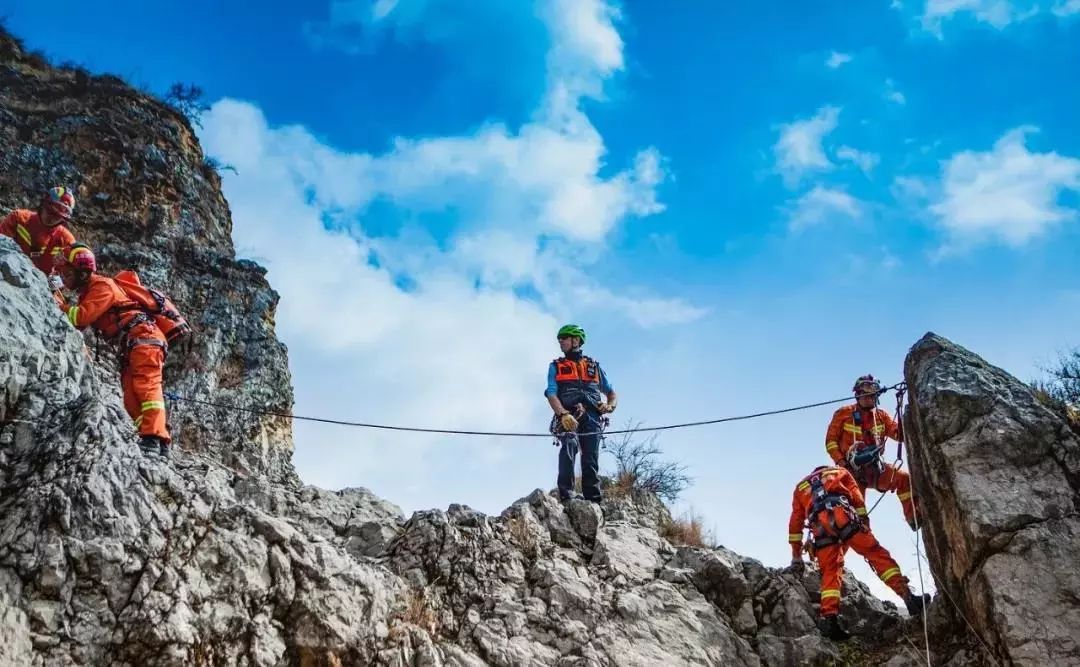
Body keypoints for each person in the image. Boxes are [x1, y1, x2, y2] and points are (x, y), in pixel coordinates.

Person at [55, 243, 172, 458]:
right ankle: (155, 440)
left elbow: (80, 318)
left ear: (82, 273)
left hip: (144, 339)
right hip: (132, 345)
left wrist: (54, 302)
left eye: (67, 272)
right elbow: (78, 322)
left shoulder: (102, 287)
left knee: (146, 386)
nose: (64, 277)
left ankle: (154, 437)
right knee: (130, 396)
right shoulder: (89, 291)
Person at [788, 465, 930, 641]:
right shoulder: (839, 472)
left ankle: (830, 619)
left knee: (830, 573)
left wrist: (796, 555)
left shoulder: (800, 487)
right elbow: (857, 499)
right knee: (875, 554)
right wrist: (864, 524)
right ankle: (908, 597)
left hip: (821, 529)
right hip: (844, 517)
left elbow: (795, 523)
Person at [825, 374, 919, 530]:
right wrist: (842, 463)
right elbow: (830, 442)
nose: (870, 399)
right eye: (866, 395)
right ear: (858, 395)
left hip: (874, 469)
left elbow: (899, 435)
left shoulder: (881, 416)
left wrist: (904, 414)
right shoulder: (844, 413)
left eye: (873, 395)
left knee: (904, 479)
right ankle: (857, 536)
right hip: (850, 473)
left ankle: (913, 517)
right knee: (857, 516)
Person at [545, 324, 617, 503]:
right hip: (569, 415)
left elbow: (611, 393)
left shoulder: (593, 366)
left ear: (576, 340)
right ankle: (567, 496)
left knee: (590, 457)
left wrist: (609, 406)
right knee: (569, 445)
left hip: (592, 417)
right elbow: (551, 393)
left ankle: (594, 500)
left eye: (565, 338)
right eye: (559, 339)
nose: (560, 341)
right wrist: (562, 414)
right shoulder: (556, 366)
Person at [0, 186, 77, 276]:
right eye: (50, 211)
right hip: (8, 271)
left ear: (64, 219)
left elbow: (68, 275)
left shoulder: (66, 241)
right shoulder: (19, 219)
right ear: (43, 204)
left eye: (57, 216)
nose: (51, 218)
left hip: (41, 284)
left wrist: (59, 280)